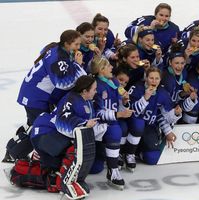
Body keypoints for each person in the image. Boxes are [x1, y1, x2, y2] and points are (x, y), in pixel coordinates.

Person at [5, 30, 86, 163]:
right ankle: (14, 152)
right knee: (39, 128)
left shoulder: (58, 50)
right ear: (66, 43)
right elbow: (61, 83)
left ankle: (12, 150)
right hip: (35, 97)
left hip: (34, 94)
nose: (78, 47)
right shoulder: (58, 57)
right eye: (76, 44)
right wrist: (77, 65)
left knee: (33, 125)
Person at [123, 66, 181, 167]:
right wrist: (145, 97)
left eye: (157, 78)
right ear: (146, 78)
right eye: (151, 78)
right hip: (132, 124)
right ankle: (127, 152)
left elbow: (164, 116)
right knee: (138, 123)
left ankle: (137, 152)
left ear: (160, 79)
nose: (154, 81)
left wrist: (174, 115)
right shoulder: (137, 88)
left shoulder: (163, 93)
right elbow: (132, 111)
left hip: (149, 127)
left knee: (153, 158)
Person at [91, 56, 134, 189]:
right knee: (95, 168)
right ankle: (111, 164)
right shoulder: (95, 86)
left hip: (112, 122)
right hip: (95, 126)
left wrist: (124, 103)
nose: (112, 68)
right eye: (108, 66)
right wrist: (118, 114)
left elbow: (117, 106)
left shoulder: (114, 82)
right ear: (101, 70)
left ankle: (112, 168)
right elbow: (97, 114)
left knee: (119, 128)